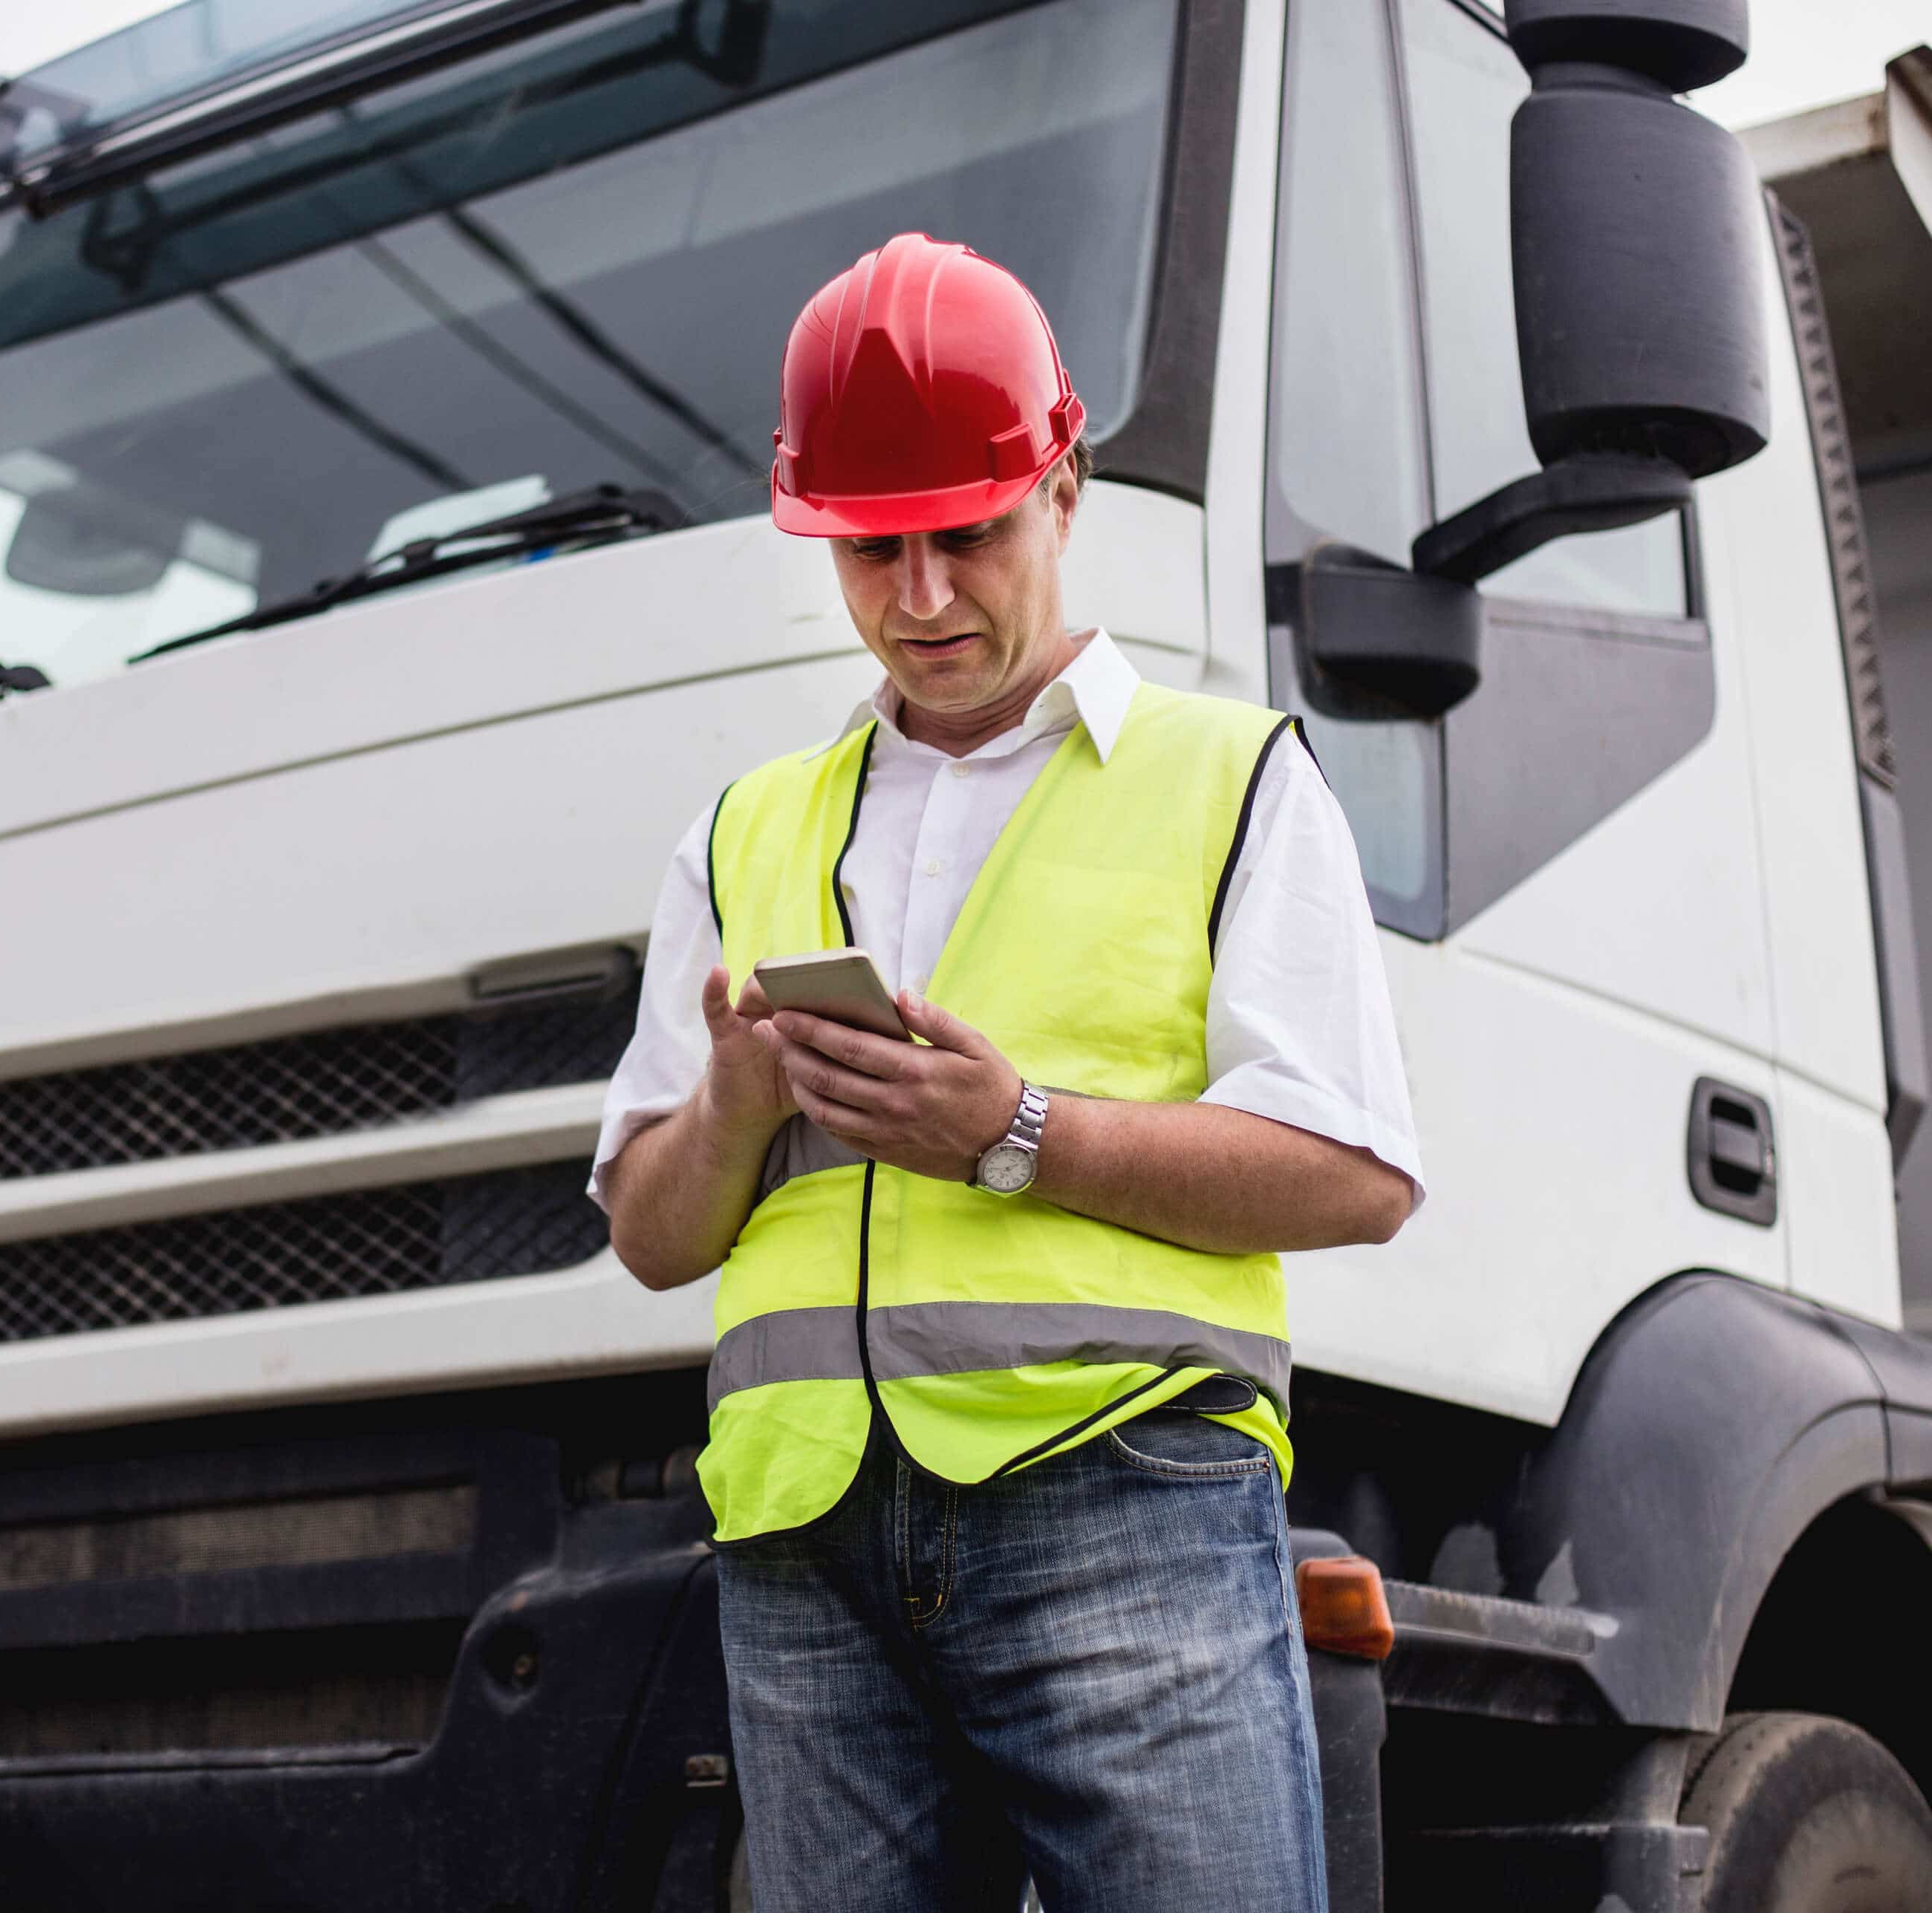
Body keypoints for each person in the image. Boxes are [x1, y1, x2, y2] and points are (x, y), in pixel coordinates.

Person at [591, 233, 1423, 1911]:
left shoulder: (1233, 779)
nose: (919, 601)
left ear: (1064, 482)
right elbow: (652, 1234)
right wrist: (737, 1109)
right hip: (802, 1545)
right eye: (872, 550)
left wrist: (1018, 1133)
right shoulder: (745, 830)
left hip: (1119, 1492)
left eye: (964, 536)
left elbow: (1357, 1174)